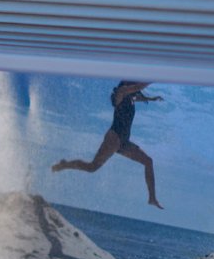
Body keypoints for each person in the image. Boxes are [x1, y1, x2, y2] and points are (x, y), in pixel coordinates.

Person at [51, 80, 165, 208]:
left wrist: (152, 98)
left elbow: (137, 95)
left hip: (124, 141)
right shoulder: (121, 93)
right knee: (92, 167)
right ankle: (65, 164)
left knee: (148, 161)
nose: (134, 89)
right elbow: (137, 87)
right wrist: (157, 77)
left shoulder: (130, 97)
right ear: (126, 85)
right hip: (114, 137)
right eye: (131, 85)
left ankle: (152, 198)